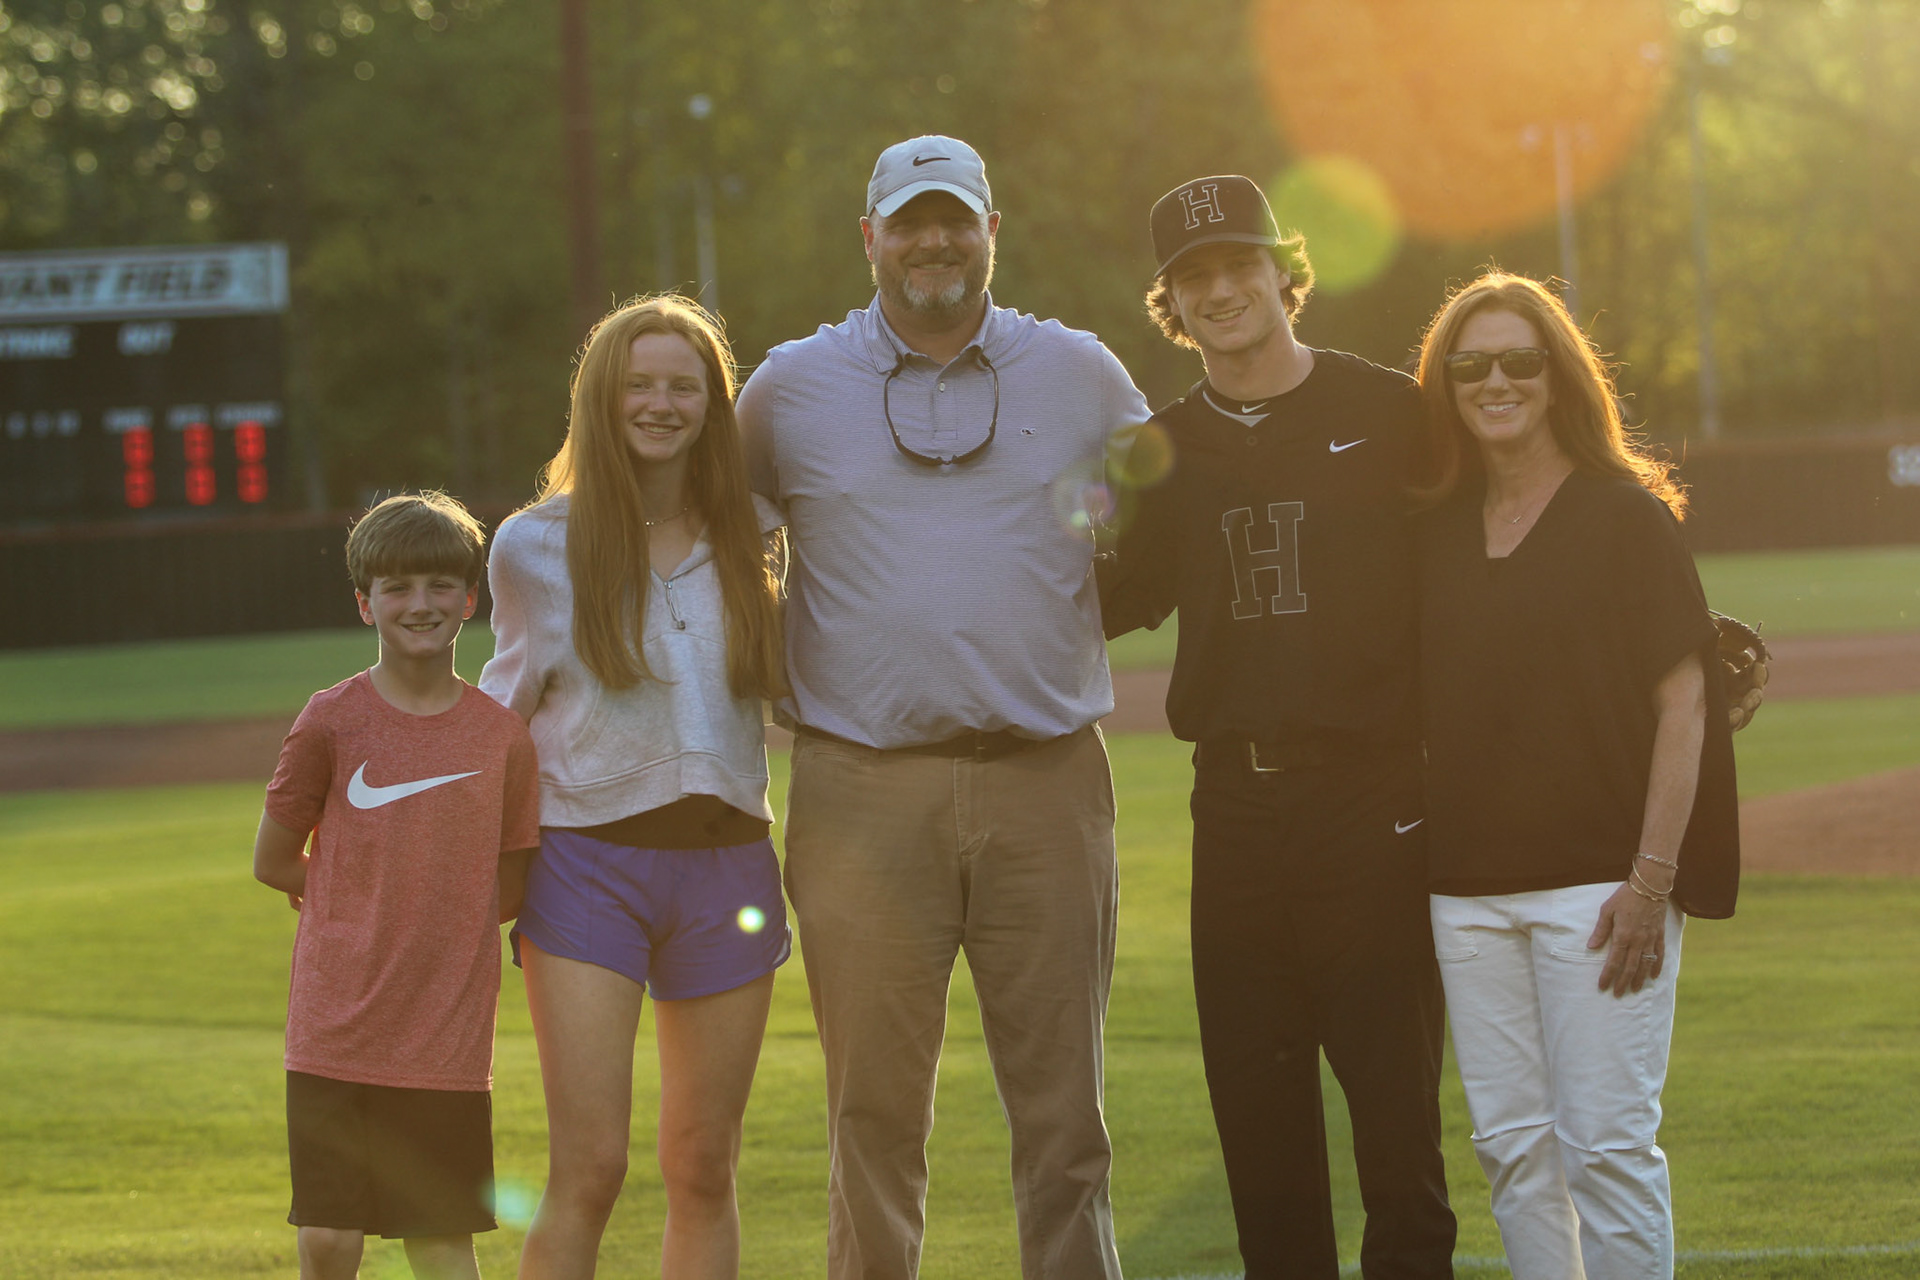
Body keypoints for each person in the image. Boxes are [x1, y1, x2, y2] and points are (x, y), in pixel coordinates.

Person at [735, 135, 1150, 1280]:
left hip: (1048, 783)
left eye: (955, 219)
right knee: (871, 1114)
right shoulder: (789, 386)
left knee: (1065, 1116)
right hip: (861, 790)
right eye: (910, 221)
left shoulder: (1079, 371)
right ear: (870, 236)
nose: (934, 242)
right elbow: (717, 546)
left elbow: (1164, 512)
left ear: (991, 232)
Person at [1098, 175, 1456, 1279]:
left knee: (1398, 1127)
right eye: (1193, 277)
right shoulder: (1156, 449)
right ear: (1170, 302)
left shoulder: (1390, 412)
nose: (1221, 291)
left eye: (1240, 264)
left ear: (1285, 271)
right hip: (1236, 812)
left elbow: (1485, 560)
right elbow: (1099, 601)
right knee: (1262, 1139)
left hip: (1374, 801)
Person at [1411, 272, 1738, 1280]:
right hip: (1465, 894)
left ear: (1559, 374)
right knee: (1514, 1154)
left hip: (1601, 892)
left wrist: (1651, 881)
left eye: (1520, 359)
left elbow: (1686, 707)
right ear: (1445, 384)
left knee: (1605, 1147)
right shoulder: (1432, 525)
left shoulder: (1624, 516)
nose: (1496, 381)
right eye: (1471, 364)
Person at [480, 296, 791, 1280]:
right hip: (586, 869)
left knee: (703, 1166)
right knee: (591, 1167)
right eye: (639, 385)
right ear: (601, 399)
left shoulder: (757, 533)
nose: (661, 404)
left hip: (730, 871)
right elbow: (497, 725)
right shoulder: (533, 545)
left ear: (712, 404)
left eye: (683, 387)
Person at [254, 491, 542, 1280]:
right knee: (330, 1237)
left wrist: (429, 913)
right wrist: (354, 900)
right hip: (336, 1025)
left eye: (441, 585)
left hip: (444, 1036)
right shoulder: (330, 720)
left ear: (470, 599)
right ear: (365, 603)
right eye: (398, 587)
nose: (421, 604)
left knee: (441, 1239)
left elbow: (509, 886)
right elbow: (274, 860)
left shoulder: (502, 737)